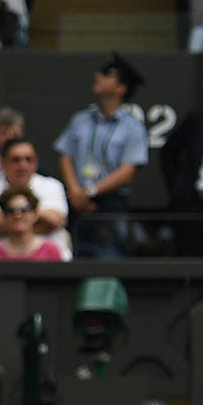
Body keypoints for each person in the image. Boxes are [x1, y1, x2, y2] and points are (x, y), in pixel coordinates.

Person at [54, 53, 150, 258]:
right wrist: (76, 192)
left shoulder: (133, 127)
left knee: (109, 259)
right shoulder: (81, 119)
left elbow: (127, 172)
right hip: (76, 203)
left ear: (120, 88)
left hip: (110, 205)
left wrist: (90, 192)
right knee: (73, 257)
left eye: (107, 74)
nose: (98, 76)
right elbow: (65, 155)